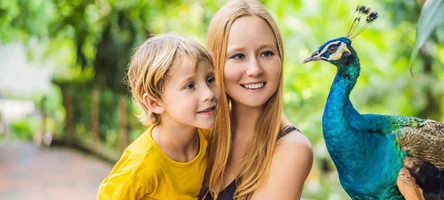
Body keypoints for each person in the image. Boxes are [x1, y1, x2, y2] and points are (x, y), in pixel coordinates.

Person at [202, 0, 313, 199]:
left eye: (266, 53)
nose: (254, 69)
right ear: (215, 63)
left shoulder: (293, 149)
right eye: (238, 56)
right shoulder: (203, 134)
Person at [98, 34, 219, 199]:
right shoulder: (142, 164)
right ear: (154, 103)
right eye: (190, 85)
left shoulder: (207, 138)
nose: (208, 94)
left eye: (210, 79)